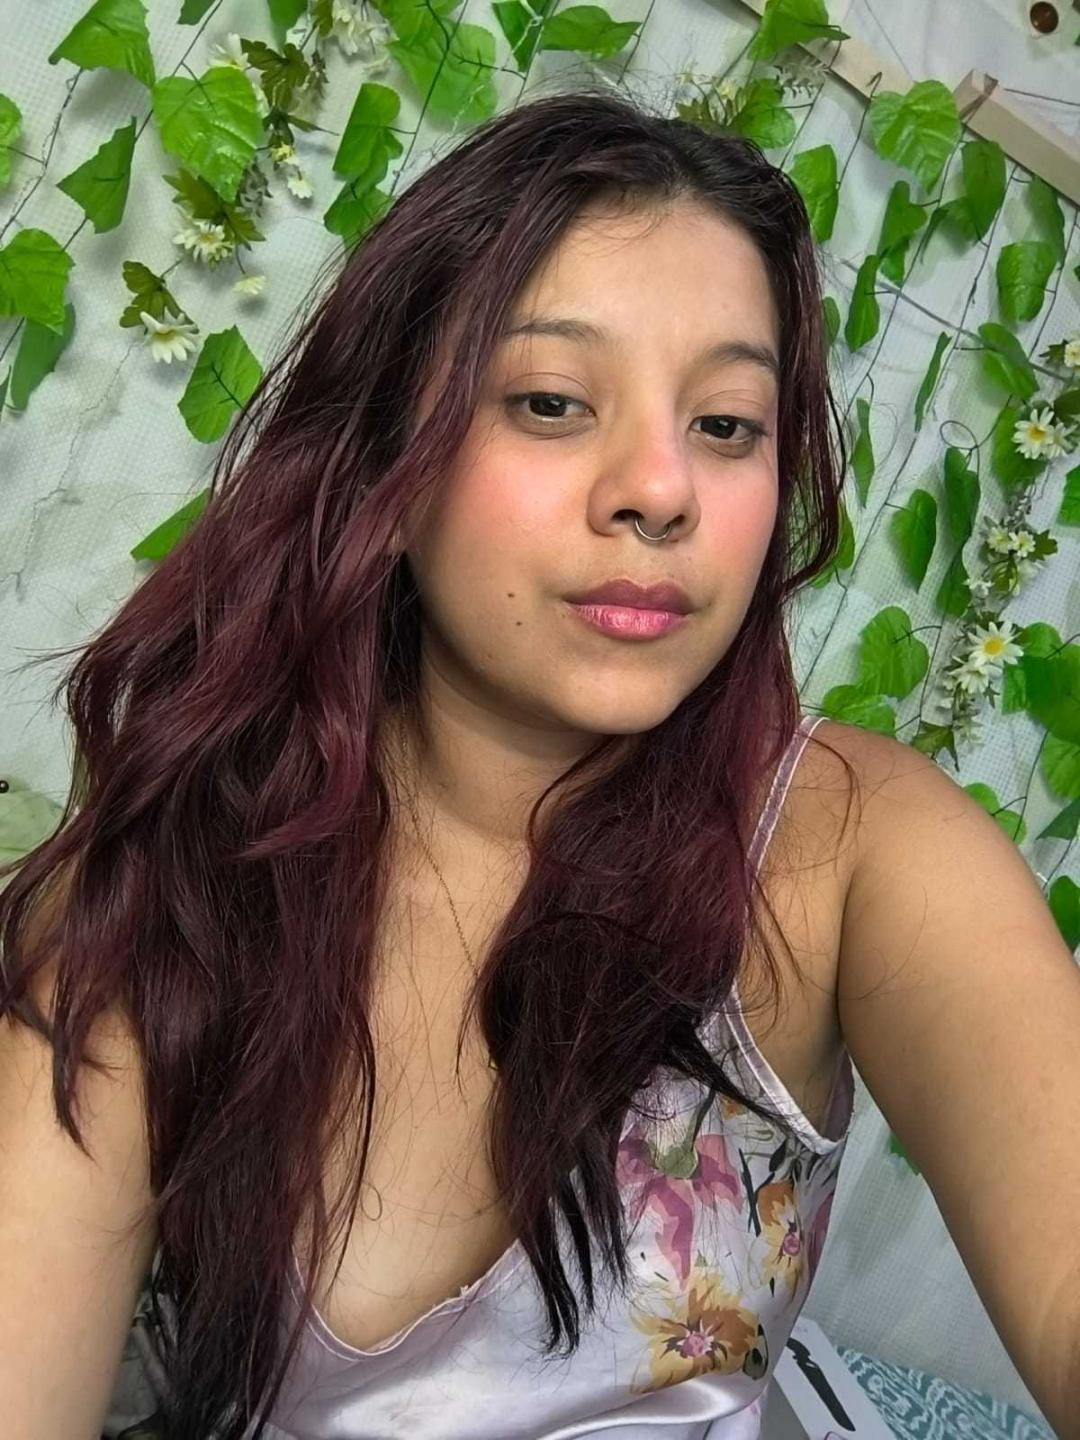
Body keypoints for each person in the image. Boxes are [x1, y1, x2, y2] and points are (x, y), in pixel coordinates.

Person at [1, 86, 1077, 1440]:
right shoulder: (170, 887)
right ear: (386, 462)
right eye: (553, 401)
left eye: (727, 425)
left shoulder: (860, 851)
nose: (660, 490)